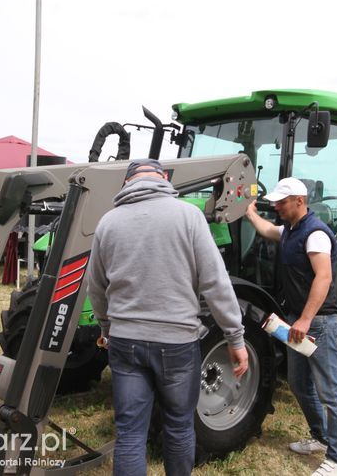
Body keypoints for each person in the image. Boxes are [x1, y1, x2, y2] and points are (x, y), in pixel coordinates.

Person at [86, 159, 249, 476]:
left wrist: (107, 328)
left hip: (125, 342)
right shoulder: (188, 216)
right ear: (163, 179)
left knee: (131, 433)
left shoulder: (108, 223)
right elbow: (214, 281)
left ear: (127, 183)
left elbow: (96, 287)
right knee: (178, 426)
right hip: (177, 343)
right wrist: (235, 337)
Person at [245, 177, 337, 476]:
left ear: (299, 201)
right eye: (276, 201)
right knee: (299, 385)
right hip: (297, 322)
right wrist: (249, 211)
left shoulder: (315, 233)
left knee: (330, 392)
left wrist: (304, 320)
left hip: (318, 323)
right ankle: (320, 437)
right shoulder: (291, 230)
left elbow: (324, 278)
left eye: (281, 201)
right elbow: (268, 230)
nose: (276, 206)